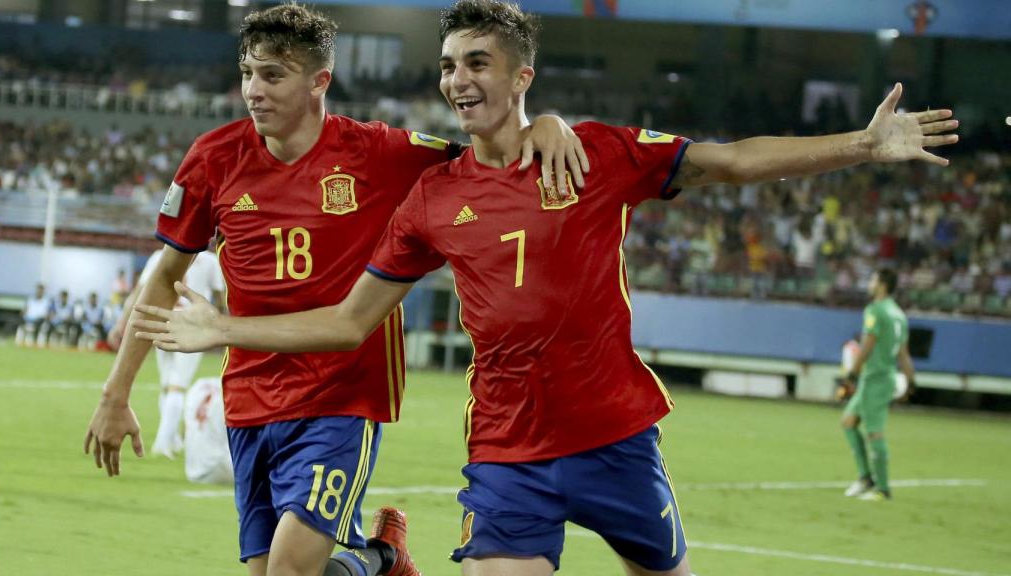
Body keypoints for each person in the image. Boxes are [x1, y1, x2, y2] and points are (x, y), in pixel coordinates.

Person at [132, 1, 958, 574]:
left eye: (478, 63)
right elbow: (351, 321)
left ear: (523, 74)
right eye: (449, 64)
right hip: (505, 452)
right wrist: (224, 330)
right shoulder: (432, 195)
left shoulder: (594, 153)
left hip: (615, 436)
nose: (458, 79)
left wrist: (860, 143)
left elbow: (732, 160)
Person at [82, 4, 585, 576]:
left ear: (320, 81)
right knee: (273, 570)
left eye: (272, 75)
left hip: (341, 398)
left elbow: (486, 156)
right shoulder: (213, 158)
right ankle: (381, 560)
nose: (253, 90)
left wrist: (545, 123)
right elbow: (164, 275)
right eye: (247, 72)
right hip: (249, 399)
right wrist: (115, 394)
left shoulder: (380, 154)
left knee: (288, 569)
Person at [111, 247, 225, 458]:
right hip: (191, 327)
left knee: (167, 385)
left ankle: (172, 439)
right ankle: (163, 443)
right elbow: (221, 296)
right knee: (177, 386)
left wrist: (122, 321)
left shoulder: (161, 254)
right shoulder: (209, 261)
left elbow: (141, 291)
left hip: (163, 321)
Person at [841, 268, 916, 501]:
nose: (870, 283)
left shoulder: (875, 310)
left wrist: (852, 373)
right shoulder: (899, 315)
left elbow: (868, 344)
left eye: (873, 279)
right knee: (848, 421)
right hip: (884, 377)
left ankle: (882, 489)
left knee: (874, 433)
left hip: (876, 379)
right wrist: (911, 380)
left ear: (882, 285)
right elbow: (903, 353)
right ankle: (865, 478)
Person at [15, 283, 51, 347]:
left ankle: (36, 342)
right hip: (28, 319)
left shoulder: (47, 301)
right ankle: (18, 342)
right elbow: (24, 310)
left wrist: (46, 317)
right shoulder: (30, 299)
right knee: (19, 321)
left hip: (39, 320)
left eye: (41, 290)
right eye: (38, 289)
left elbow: (48, 314)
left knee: (41, 323)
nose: (39, 291)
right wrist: (22, 313)